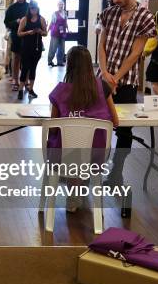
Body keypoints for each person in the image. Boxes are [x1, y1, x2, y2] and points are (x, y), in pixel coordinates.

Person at [98, 0, 155, 198]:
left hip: (127, 81)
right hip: (103, 78)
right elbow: (101, 45)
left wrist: (116, 78)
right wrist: (104, 73)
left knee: (124, 130)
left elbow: (136, 52)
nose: (114, 0)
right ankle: (90, 172)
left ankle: (116, 173)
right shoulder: (108, 14)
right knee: (96, 124)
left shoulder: (145, 16)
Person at [48, 46, 119, 212]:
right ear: (89, 66)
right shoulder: (103, 87)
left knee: (71, 149)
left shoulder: (60, 92)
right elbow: (115, 122)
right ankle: (88, 193)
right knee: (84, 151)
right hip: (97, 155)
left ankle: (73, 198)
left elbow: (52, 129)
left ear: (69, 66)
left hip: (67, 156)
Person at [16, 1, 47, 99]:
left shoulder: (41, 19)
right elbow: (19, 33)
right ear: (29, 9)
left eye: (35, 9)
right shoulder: (24, 19)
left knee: (33, 68)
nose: (34, 10)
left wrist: (40, 31)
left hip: (37, 47)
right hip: (26, 47)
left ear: (38, 9)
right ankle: (20, 89)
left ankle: (31, 89)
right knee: (25, 68)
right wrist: (28, 32)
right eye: (32, 9)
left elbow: (46, 33)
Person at [4, 0, 29, 91]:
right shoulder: (12, 8)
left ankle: (25, 80)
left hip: (28, 36)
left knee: (26, 60)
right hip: (16, 35)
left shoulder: (29, 7)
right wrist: (16, 22)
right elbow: (6, 22)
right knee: (16, 59)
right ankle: (15, 80)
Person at [47, 0, 69, 67]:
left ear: (63, 5)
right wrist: (47, 31)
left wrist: (68, 29)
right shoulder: (54, 13)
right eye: (59, 4)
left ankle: (60, 62)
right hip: (55, 32)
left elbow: (65, 22)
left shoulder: (65, 13)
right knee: (53, 48)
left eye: (62, 4)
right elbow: (52, 22)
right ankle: (50, 61)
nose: (61, 6)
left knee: (62, 48)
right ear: (57, 5)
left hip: (62, 33)